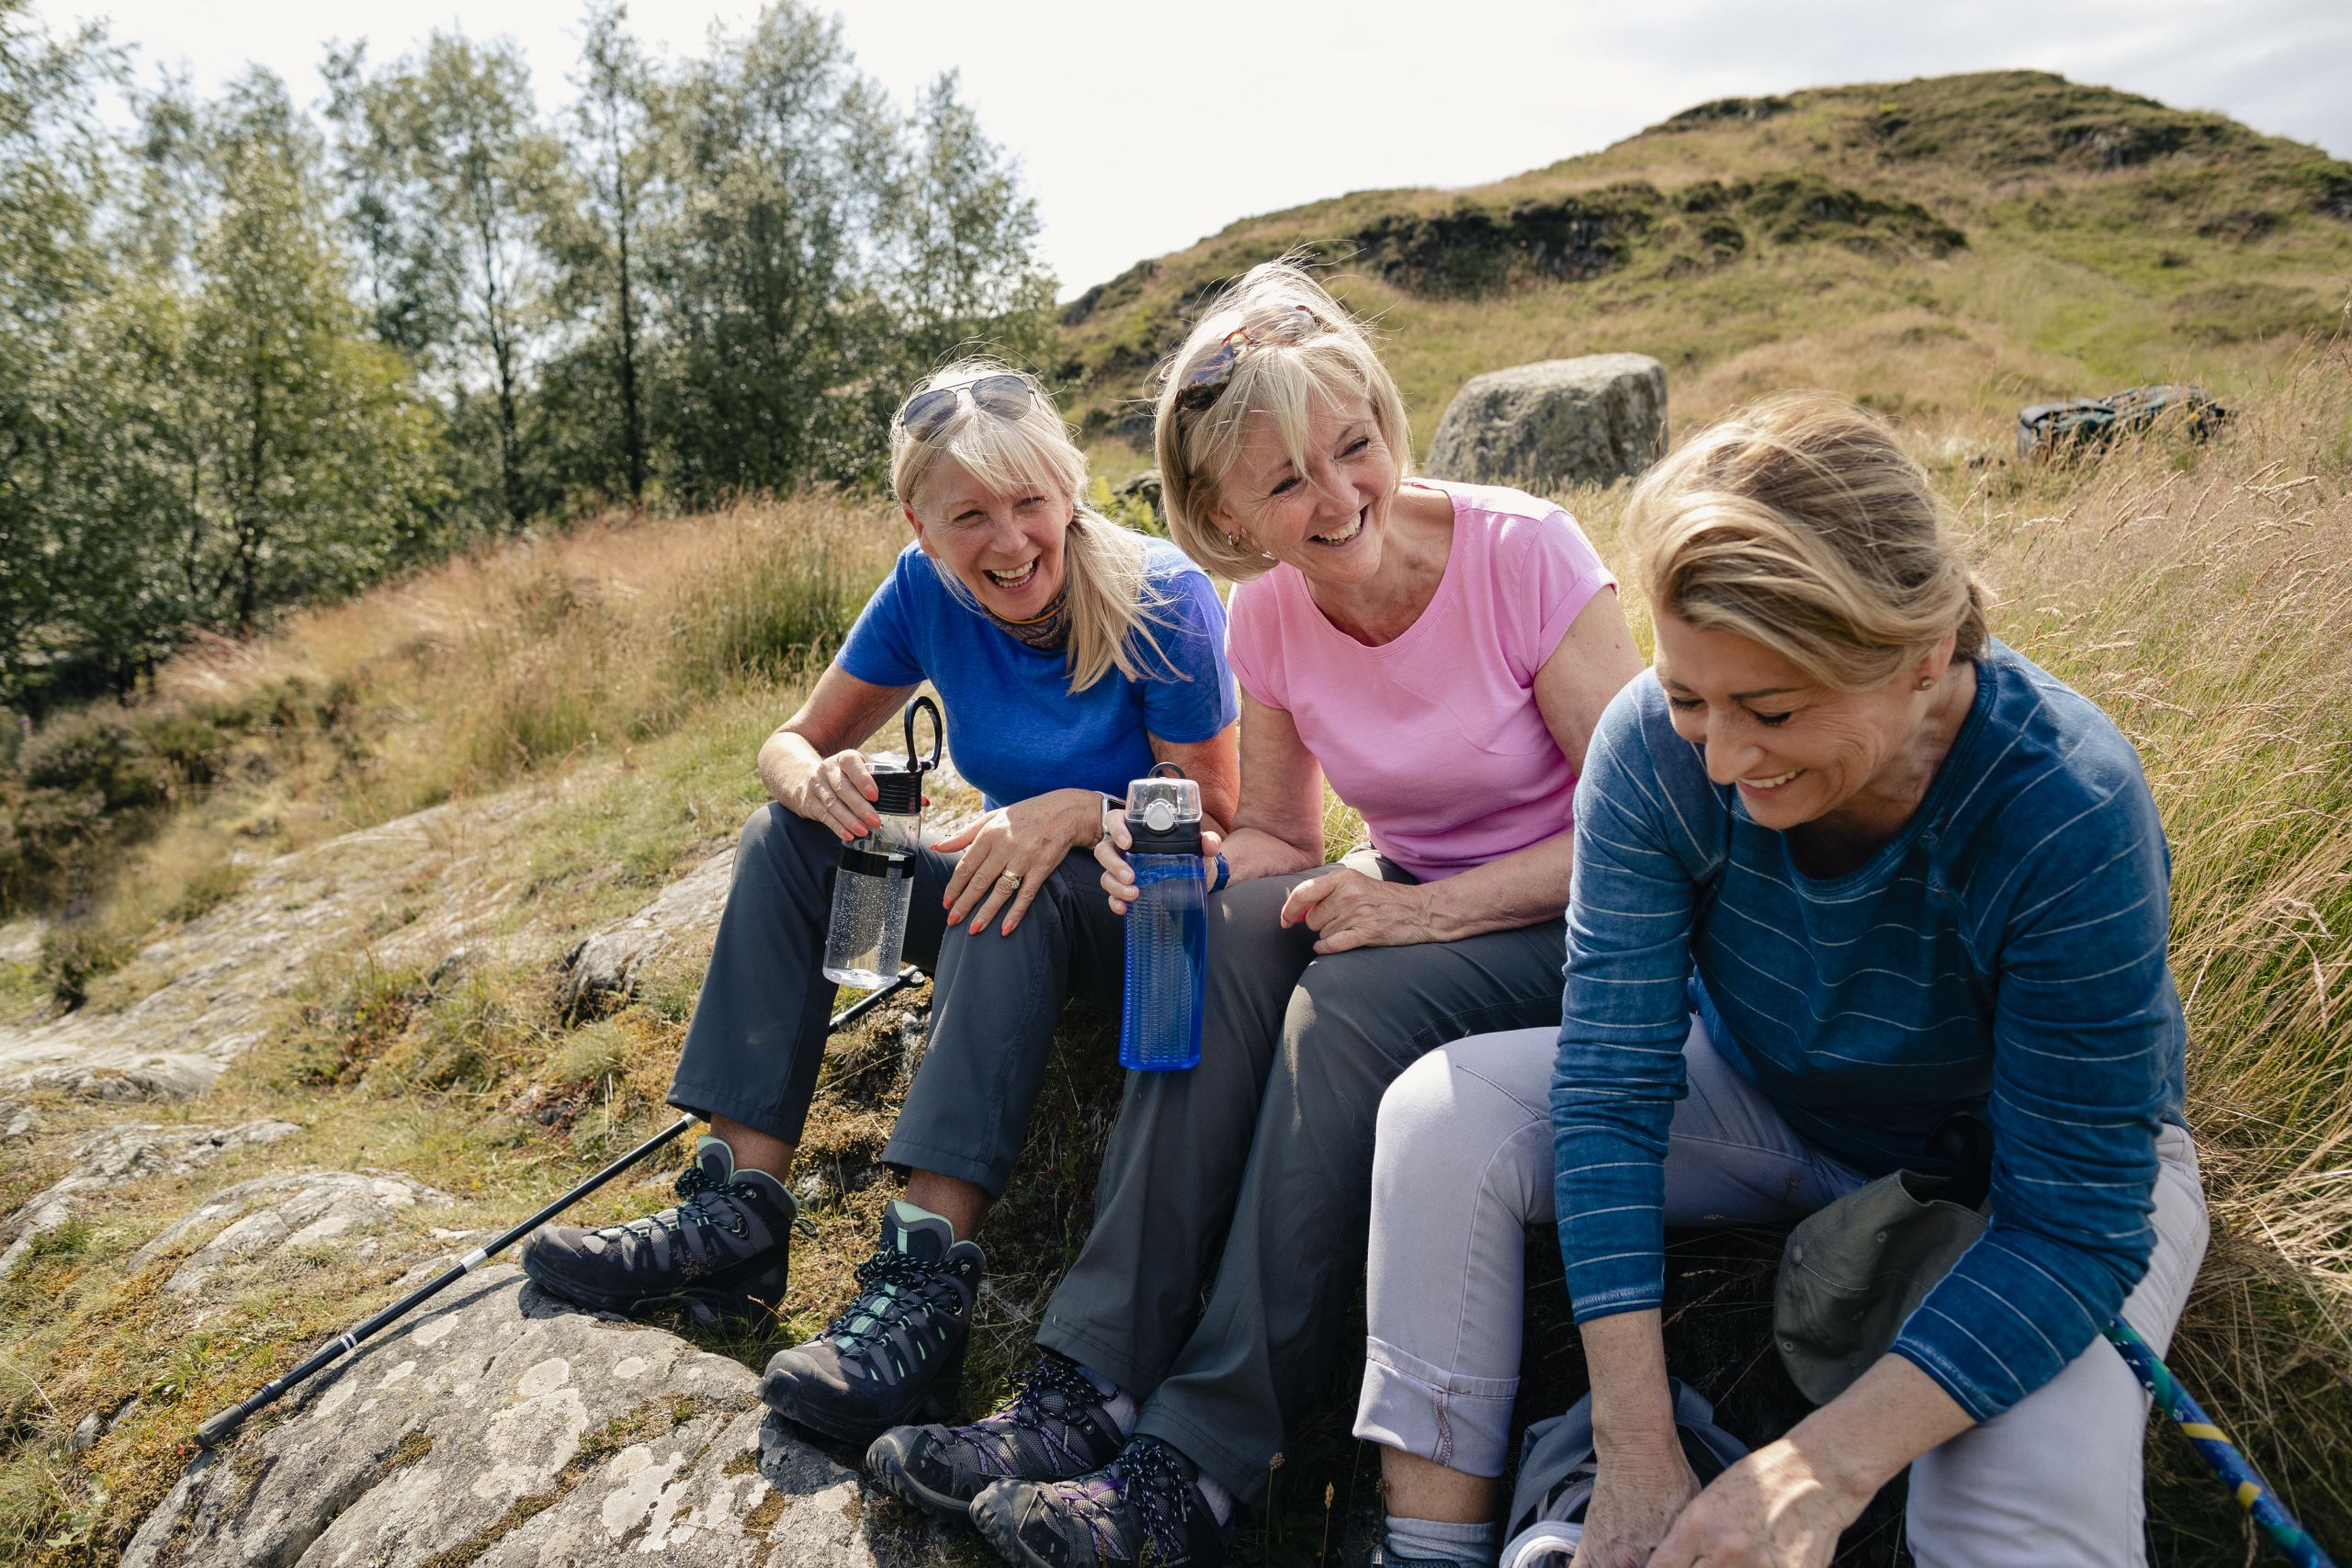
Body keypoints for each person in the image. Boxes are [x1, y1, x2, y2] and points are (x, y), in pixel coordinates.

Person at [865, 262, 1645, 1568]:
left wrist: (1423, 911)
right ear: (1226, 510)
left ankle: (1204, 1462)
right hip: (1436, 914)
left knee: (1345, 997)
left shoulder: (1525, 550)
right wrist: (1172, 873)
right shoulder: (1269, 610)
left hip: (1590, 933)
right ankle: (1085, 1386)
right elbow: (1281, 835)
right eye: (1286, 481)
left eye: (1357, 446)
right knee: (1221, 929)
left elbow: (1647, 838)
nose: (1338, 496)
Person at [1350, 391, 2207, 1568]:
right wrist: (1637, 1446)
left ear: (1919, 655)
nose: (1722, 757)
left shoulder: (2066, 806)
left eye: (1772, 710)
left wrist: (1822, 1470)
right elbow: (1609, 1086)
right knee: (1444, 1120)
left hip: (2032, 1170)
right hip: (1773, 1096)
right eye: (1691, 696)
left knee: (2018, 1504)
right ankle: (1428, 1549)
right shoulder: (1657, 750)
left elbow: (2075, 1224)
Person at [520, 361, 1239, 1447]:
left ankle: (920, 1289)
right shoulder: (921, 589)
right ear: (920, 522)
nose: (1009, 541)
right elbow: (794, 737)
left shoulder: (1163, 594)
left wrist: (1079, 810)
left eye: (1030, 503)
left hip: (1132, 926)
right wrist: (809, 779)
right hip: (1008, 897)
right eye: (969, 517)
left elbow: (1216, 821)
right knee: (790, 839)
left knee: (1010, 885)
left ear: (1068, 489)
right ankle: (736, 1217)